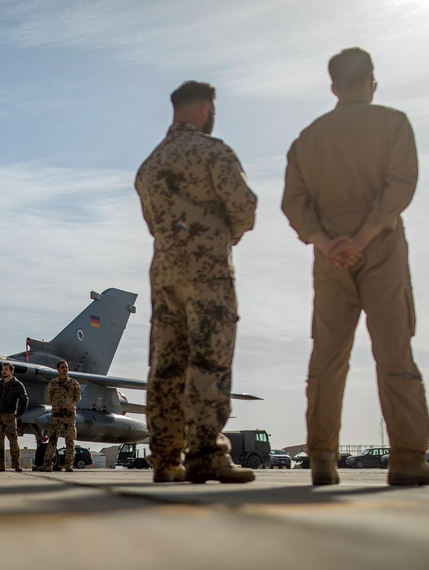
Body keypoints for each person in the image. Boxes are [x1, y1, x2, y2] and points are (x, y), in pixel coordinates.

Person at [281, 47, 429, 486]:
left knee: (328, 356)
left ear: (332, 87)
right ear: (372, 81)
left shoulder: (308, 138)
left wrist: (328, 243)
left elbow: (294, 201)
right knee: (394, 352)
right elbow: (401, 183)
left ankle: (323, 459)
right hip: (381, 248)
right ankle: (406, 458)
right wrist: (365, 236)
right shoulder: (393, 123)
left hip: (330, 258)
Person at [135, 80, 258, 484]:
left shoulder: (149, 166)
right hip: (207, 273)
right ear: (205, 109)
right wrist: (227, 231)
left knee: (167, 366)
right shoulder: (213, 152)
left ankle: (167, 460)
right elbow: (244, 207)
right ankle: (205, 454)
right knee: (210, 359)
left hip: (165, 274)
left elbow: (154, 225)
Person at [0, 362, 29, 472]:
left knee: (13, 441)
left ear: (11, 371)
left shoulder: (17, 385)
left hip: (9, 417)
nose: (4, 371)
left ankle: (16, 465)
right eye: (3, 369)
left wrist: (18, 414)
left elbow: (24, 400)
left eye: (6, 369)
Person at [40, 360, 81, 472]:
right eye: (62, 367)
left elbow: (77, 398)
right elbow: (49, 399)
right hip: (56, 415)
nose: (65, 369)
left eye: (66, 367)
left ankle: (69, 465)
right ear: (58, 369)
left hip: (69, 416)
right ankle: (47, 465)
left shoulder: (74, 384)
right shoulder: (52, 384)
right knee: (52, 440)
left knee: (70, 441)